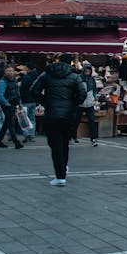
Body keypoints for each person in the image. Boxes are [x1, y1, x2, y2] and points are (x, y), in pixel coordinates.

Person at [31, 53, 86, 186]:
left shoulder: (47, 74)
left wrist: (45, 101)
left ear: (57, 61)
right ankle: (63, 169)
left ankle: (60, 176)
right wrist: (73, 103)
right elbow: (82, 94)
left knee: (55, 144)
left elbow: (33, 90)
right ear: (70, 63)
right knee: (64, 143)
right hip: (68, 115)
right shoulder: (74, 76)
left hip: (52, 113)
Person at [0, 66, 25, 149]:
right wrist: (6, 103)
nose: (11, 72)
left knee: (7, 123)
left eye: (12, 71)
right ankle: (16, 142)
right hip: (7, 105)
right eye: (8, 71)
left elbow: (17, 92)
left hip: (14, 103)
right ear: (5, 72)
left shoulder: (14, 80)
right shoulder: (2, 81)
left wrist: (19, 102)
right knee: (11, 123)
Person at [18, 64, 39, 142]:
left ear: (28, 68)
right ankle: (32, 134)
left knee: (24, 118)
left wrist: (20, 98)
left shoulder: (26, 77)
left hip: (25, 100)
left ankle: (26, 134)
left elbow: (22, 89)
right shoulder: (37, 77)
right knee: (32, 118)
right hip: (33, 100)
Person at [79, 62, 98, 147]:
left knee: (91, 121)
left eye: (89, 71)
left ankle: (93, 138)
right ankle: (72, 136)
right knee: (76, 120)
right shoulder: (79, 78)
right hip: (80, 103)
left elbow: (94, 89)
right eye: (86, 71)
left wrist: (94, 97)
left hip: (90, 103)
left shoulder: (91, 79)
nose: (87, 73)